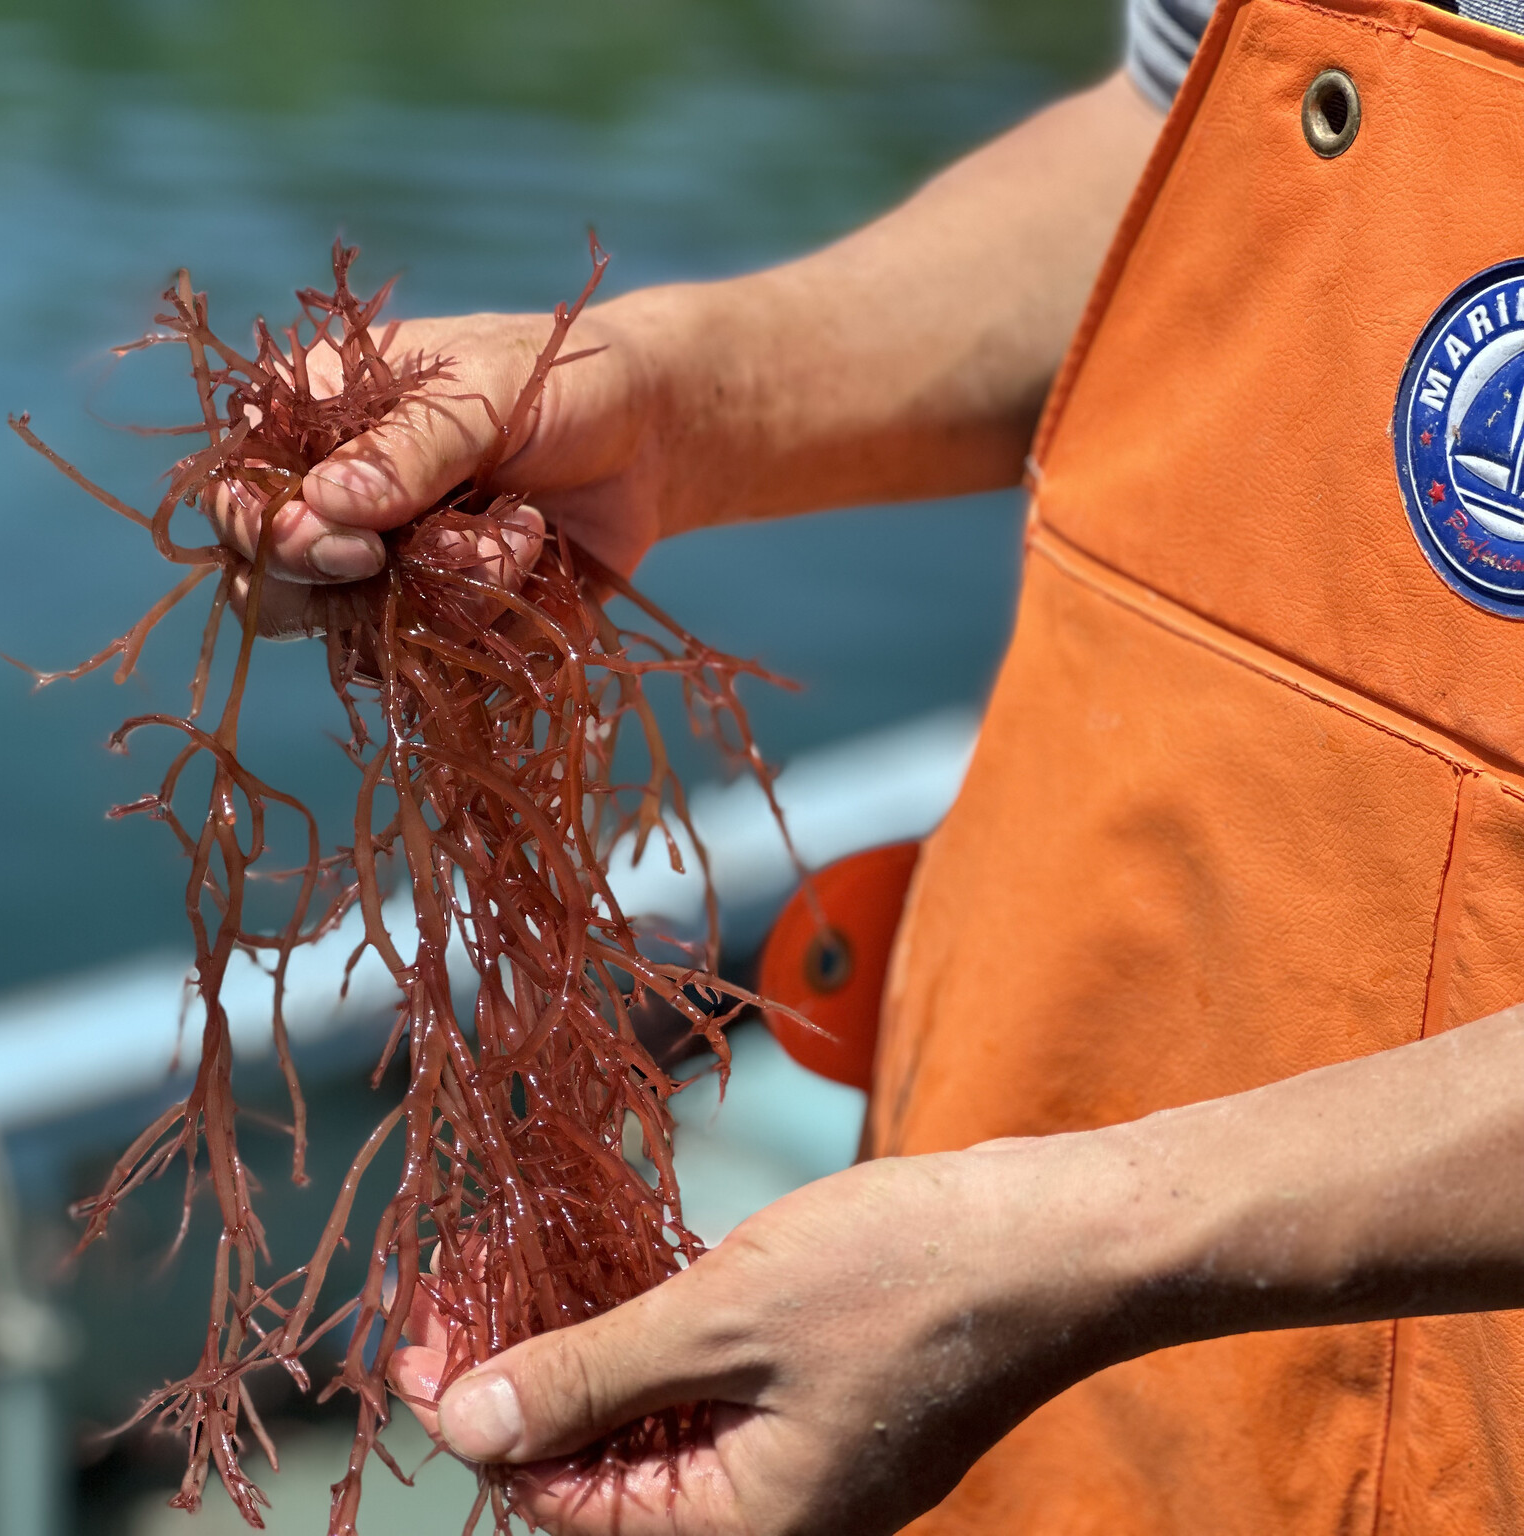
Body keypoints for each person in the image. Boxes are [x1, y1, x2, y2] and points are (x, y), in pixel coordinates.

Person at [213, 0, 1524, 1529]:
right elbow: (1191, 170)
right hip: (1044, 1328)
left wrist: (1067, 1254)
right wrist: (677, 403)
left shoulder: (1046, 1256)